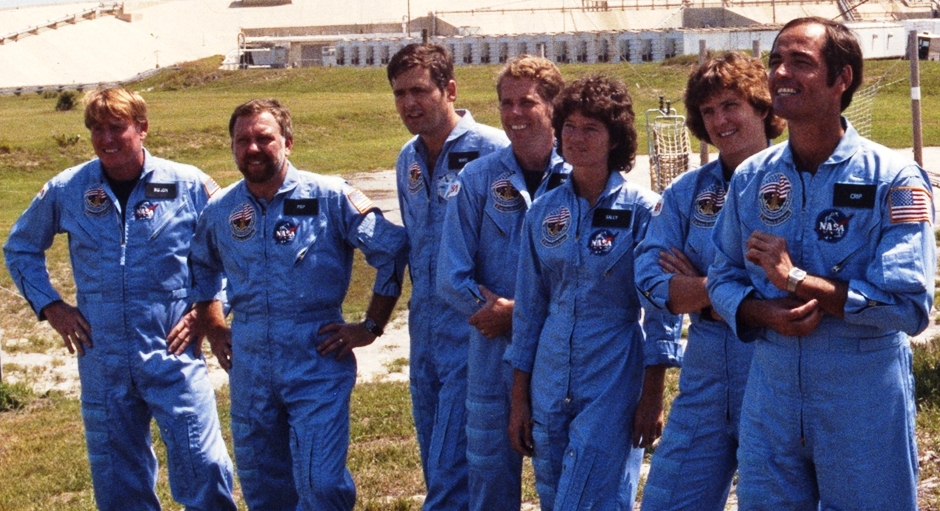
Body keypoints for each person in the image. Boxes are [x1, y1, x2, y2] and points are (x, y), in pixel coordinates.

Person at [707, 17, 935, 510]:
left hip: (861, 398)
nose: (781, 73)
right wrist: (759, 313)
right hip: (771, 395)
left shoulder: (894, 179)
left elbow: (909, 306)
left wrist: (798, 281)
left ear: (842, 79)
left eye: (800, 63)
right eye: (775, 61)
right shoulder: (752, 178)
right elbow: (722, 276)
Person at [3, 87, 236, 510]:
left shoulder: (187, 184)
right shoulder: (68, 188)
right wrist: (52, 306)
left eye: (117, 127)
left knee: (202, 464)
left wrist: (210, 309)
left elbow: (240, 245)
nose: (106, 139)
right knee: (117, 481)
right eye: (96, 129)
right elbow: (19, 248)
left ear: (142, 128)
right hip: (103, 357)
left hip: (172, 351)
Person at [188, 98, 408, 510]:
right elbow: (200, 266)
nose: (253, 148)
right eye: (243, 140)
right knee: (264, 489)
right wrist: (215, 326)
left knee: (321, 484)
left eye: (264, 138)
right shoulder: (222, 209)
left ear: (287, 142)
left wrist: (371, 327)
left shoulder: (329, 195)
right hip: (250, 364)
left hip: (316, 357)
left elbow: (391, 250)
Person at [506, 75, 683, 511]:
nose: (576, 138)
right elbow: (529, 309)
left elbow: (662, 311)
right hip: (549, 374)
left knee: (591, 497)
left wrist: (652, 393)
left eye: (591, 129)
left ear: (614, 139)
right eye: (569, 126)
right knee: (553, 493)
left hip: (612, 370)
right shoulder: (544, 213)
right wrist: (519, 398)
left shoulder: (644, 210)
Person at [635, 51, 785, 511]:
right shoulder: (687, 192)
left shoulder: (796, 180)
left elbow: (790, 290)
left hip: (775, 368)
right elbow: (650, 281)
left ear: (762, 105)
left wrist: (700, 288)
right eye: (708, 111)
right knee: (667, 499)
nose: (720, 120)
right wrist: (721, 294)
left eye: (731, 105)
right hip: (704, 371)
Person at [436, 55, 569, 511]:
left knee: (561, 479)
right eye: (505, 103)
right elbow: (450, 276)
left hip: (561, 350)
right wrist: (495, 312)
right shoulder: (477, 178)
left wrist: (526, 315)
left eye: (527, 102)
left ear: (553, 106)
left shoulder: (581, 176)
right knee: (489, 481)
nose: (514, 114)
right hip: (493, 353)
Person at [387, 43, 509, 510]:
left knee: (457, 471)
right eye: (400, 94)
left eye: (420, 90)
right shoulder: (408, 159)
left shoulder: (493, 150)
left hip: (477, 328)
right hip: (425, 332)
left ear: (450, 89)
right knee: (436, 459)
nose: (410, 104)